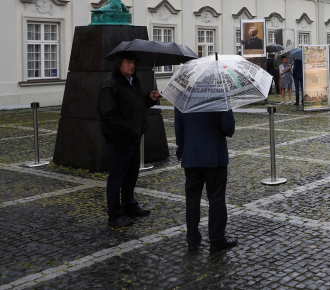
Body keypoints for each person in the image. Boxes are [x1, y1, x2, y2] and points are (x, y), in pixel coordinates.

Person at [97, 52, 160, 228]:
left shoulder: (134, 83)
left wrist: (149, 98)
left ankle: (129, 205)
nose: (132, 66)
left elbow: (137, 105)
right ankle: (115, 215)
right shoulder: (110, 86)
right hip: (119, 140)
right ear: (119, 64)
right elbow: (108, 114)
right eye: (128, 62)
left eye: (133, 63)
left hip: (133, 138)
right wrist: (127, 129)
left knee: (131, 175)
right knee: (117, 178)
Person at [175, 107, 237, 253]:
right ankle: (216, 240)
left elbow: (179, 126)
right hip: (214, 154)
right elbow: (228, 128)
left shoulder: (183, 94)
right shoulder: (218, 93)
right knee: (216, 199)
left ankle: (192, 240)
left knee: (192, 199)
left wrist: (181, 150)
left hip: (191, 154)